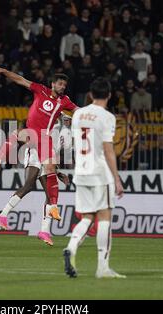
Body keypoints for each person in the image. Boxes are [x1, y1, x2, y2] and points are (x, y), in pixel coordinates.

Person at [0, 68, 78, 246]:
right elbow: (20, 79)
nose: (62, 87)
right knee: (29, 184)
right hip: (35, 144)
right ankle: (3, 214)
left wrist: (95, 116)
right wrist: (4, 71)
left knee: (48, 191)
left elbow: (79, 111)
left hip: (44, 146)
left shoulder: (64, 106)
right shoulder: (41, 90)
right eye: (60, 84)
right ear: (53, 84)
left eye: (64, 85)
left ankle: (44, 230)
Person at [63, 78, 125, 279]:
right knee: (104, 217)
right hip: (99, 173)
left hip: (81, 172)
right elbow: (108, 150)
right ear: (109, 95)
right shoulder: (107, 117)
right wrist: (116, 178)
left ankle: (71, 247)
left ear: (90, 94)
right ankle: (103, 268)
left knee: (87, 217)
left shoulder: (78, 114)